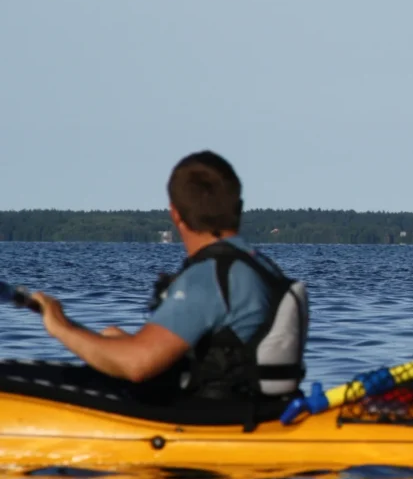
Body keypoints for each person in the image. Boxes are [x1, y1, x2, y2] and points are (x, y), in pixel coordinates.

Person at [31, 150, 309, 407]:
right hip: (254, 409)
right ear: (239, 207)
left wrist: (61, 326)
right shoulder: (262, 267)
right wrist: (124, 345)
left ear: (175, 214)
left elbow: (136, 365)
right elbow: (221, 359)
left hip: (211, 421)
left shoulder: (208, 277)